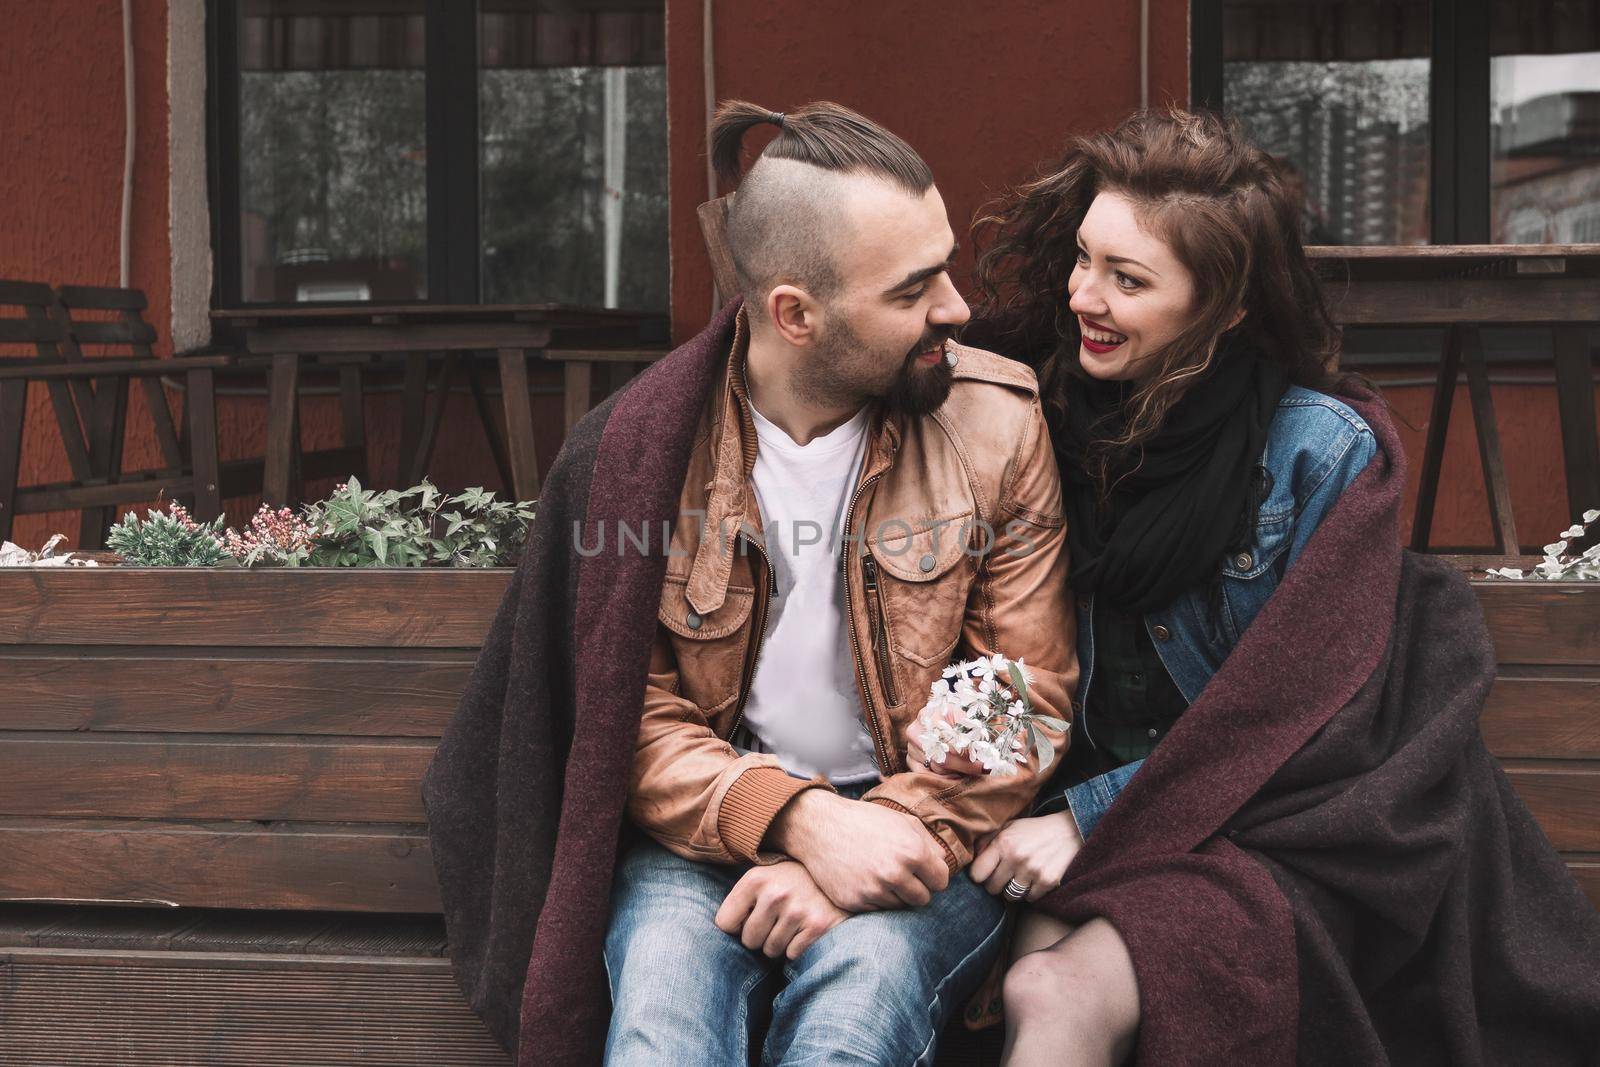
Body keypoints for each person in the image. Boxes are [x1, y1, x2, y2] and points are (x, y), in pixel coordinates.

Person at [911, 109, 1600, 1065]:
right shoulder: (1029, 412)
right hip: (1080, 823)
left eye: (1128, 279)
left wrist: (1093, 819)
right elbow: (1030, 651)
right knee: (1019, 957)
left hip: (1275, 840)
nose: (1084, 297)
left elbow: (1312, 720)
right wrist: (978, 746)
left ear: (1224, 306)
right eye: (1083, 259)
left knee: (1053, 983)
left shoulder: (1317, 452)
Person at [598, 99, 1078, 1066]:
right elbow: (626, 710)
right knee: (661, 1035)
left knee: (848, 1035)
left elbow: (1020, 690)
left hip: (926, 826)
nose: (956, 306)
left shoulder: (996, 424)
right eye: (913, 289)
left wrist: (875, 836)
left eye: (945, 265)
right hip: (707, 837)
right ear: (795, 314)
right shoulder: (652, 446)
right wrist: (794, 817)